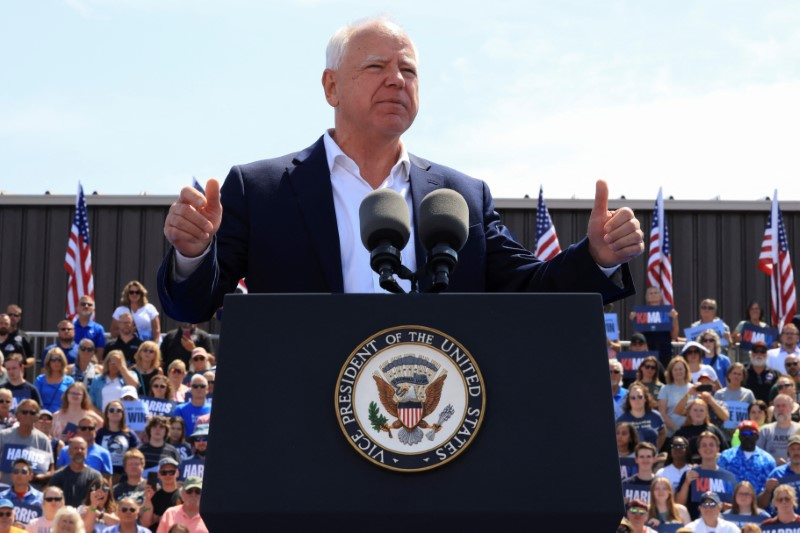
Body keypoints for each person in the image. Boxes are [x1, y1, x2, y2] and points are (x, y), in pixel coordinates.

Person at [157, 17, 644, 324]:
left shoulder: (461, 196)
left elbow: (532, 292)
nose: (396, 79)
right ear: (331, 87)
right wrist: (194, 255)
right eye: (376, 67)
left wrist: (596, 256)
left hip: (435, 438)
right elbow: (191, 307)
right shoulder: (261, 189)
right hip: (305, 436)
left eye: (408, 71)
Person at [676, 432, 734, 519]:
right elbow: (679, 504)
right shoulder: (689, 474)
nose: (708, 448)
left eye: (711, 445)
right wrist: (687, 483)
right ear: (699, 450)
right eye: (704, 445)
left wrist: (729, 507)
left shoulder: (728, 477)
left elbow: (734, 506)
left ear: (718, 449)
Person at [0, 400, 54, 486]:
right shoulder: (3, 436)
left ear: (37, 417)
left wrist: (41, 477)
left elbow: (51, 470)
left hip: (32, 492)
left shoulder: (43, 440)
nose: (28, 415)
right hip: (5, 490)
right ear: (17, 415)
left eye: (32, 412)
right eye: (24, 412)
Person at [716, 420, 776, 494]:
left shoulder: (767, 460)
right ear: (739, 436)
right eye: (744, 433)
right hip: (731, 504)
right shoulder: (726, 456)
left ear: (757, 436)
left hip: (758, 504)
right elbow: (718, 482)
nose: (747, 436)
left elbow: (771, 488)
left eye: (751, 433)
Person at [630, 286, 680, 367]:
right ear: (646, 297)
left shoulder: (668, 312)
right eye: (650, 293)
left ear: (660, 296)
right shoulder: (640, 313)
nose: (653, 295)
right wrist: (635, 320)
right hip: (647, 352)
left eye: (656, 293)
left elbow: (674, 336)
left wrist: (675, 318)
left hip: (665, 350)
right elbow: (637, 335)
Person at [49, 436, 103, 507]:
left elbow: (98, 502)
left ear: (86, 451)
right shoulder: (57, 476)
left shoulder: (95, 477)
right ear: (69, 451)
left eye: (82, 449)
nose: (79, 451)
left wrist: (91, 512)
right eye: (76, 448)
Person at [95, 401, 140, 478]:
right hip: (103, 475)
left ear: (123, 414)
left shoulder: (130, 434)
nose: (115, 412)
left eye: (119, 410)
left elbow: (135, 455)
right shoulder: (99, 433)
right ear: (107, 414)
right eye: (112, 410)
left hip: (123, 476)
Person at [617, 383, 666, 449]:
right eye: (633, 398)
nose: (636, 400)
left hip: (650, 457)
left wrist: (656, 450)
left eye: (640, 397)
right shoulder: (621, 421)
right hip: (630, 458)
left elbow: (663, 433)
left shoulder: (656, 416)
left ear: (645, 398)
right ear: (629, 400)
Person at [755, 393, 800, 464]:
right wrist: (774, 461)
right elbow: (757, 454)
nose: (780, 409)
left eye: (783, 406)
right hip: (771, 472)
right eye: (777, 406)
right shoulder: (765, 430)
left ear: (791, 408)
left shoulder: (799, 429)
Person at [759, 434, 800, 511]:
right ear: (788, 451)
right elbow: (761, 504)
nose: (796, 452)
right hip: (782, 521)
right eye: (792, 449)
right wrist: (767, 491)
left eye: (799, 449)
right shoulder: (777, 473)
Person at [139, 458, 181, 531]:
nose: (167, 475)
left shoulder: (184, 495)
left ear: (177, 473)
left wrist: (160, 518)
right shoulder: (152, 495)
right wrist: (148, 499)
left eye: (171, 472)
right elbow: (145, 523)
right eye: (163, 472)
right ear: (158, 474)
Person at [714, 363, 756, 434]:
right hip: (724, 434)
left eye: (739, 374)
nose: (736, 376)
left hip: (743, 433)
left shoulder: (748, 394)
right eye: (734, 373)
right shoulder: (719, 394)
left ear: (743, 377)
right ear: (729, 375)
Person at [0, 459, 43, 529]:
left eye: (24, 472)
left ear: (30, 476)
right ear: (11, 476)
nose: (19, 474)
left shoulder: (42, 499)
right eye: (16, 471)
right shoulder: (1, 497)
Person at [659, 357, 693, 436]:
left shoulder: (693, 389)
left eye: (680, 369)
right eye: (675, 370)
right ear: (671, 372)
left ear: (685, 370)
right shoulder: (665, 389)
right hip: (671, 433)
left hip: (690, 432)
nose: (678, 372)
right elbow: (662, 413)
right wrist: (676, 429)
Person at [35, 349, 75, 413]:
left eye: (59, 360)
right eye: (53, 360)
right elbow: (35, 401)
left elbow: (72, 402)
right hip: (43, 417)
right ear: (48, 362)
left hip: (62, 416)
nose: (56, 362)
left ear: (63, 361)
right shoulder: (40, 380)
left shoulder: (69, 381)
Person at [73, 296, 106, 361]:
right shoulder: (70, 328)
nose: (86, 306)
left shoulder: (98, 328)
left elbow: (100, 351)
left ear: (93, 309)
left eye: (89, 305)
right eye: (83, 304)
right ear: (77, 308)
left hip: (91, 365)